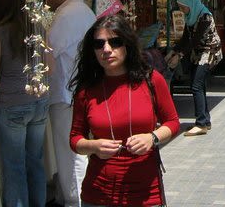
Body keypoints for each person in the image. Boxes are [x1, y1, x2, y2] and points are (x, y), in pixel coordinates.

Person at [69, 14, 180, 207]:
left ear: (127, 45)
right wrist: (94, 147)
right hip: (98, 194)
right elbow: (75, 138)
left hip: (145, 193)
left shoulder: (151, 80)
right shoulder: (87, 90)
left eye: (115, 42)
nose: (107, 49)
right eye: (99, 44)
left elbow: (173, 122)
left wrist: (152, 138)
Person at [0, 0, 50, 207]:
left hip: (13, 103)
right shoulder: (37, 28)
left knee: (14, 167)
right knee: (35, 162)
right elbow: (48, 66)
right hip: (39, 100)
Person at [45, 0, 97, 207]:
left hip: (67, 92)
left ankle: (74, 200)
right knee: (77, 148)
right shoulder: (84, 11)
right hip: (80, 88)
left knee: (70, 152)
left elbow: (48, 52)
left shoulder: (65, 16)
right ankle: (73, 196)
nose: (46, 1)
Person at [174, 0, 218, 136]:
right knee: (199, 85)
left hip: (209, 52)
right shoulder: (191, 17)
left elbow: (195, 40)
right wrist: (174, 51)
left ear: (190, 3)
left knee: (196, 86)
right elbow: (186, 38)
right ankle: (205, 120)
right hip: (199, 53)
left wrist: (179, 55)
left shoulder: (204, 16)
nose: (181, 9)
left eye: (182, 6)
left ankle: (201, 123)